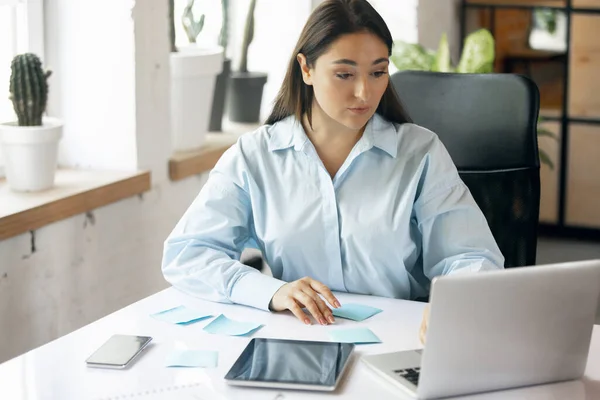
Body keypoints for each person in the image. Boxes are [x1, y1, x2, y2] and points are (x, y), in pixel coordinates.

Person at [162, 0, 504, 328]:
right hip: (297, 334)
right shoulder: (254, 156)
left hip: (399, 335)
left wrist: (454, 302)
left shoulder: (420, 152)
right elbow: (188, 254)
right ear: (306, 68)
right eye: (344, 74)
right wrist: (271, 291)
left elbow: (472, 257)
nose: (364, 93)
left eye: (378, 72)